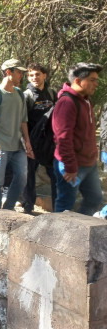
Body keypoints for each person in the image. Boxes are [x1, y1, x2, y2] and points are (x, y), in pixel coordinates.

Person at [52, 62, 103, 215]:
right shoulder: (67, 102)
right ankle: (58, 237)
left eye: (96, 80)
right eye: (92, 80)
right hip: (72, 165)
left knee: (94, 199)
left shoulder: (86, 100)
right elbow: (62, 138)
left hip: (89, 163)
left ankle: (77, 231)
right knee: (65, 205)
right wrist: (70, 166)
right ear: (78, 81)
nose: (96, 83)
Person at [0, 59, 33, 210]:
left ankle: (8, 208)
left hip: (18, 145)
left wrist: (27, 141)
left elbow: (23, 121)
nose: (21, 76)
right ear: (9, 72)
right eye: (19, 72)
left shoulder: (19, 94)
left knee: (22, 178)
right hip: (0, 145)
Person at [22, 63, 57, 213]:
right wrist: (26, 142)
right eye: (31, 75)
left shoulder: (52, 93)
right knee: (29, 175)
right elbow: (22, 121)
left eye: (37, 74)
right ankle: (28, 206)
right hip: (32, 142)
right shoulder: (26, 95)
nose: (34, 78)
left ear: (45, 75)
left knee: (55, 175)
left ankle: (58, 208)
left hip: (50, 144)